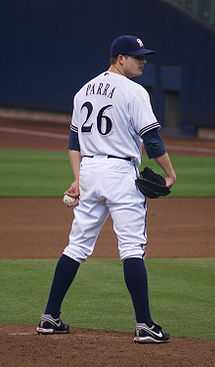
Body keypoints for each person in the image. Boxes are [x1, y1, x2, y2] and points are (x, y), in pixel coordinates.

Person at [36, 34, 176, 343]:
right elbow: (151, 139)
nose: (142, 61)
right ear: (119, 59)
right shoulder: (134, 91)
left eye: (143, 56)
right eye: (136, 56)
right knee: (131, 247)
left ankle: (49, 317)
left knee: (77, 246)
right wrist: (170, 173)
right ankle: (144, 325)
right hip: (119, 173)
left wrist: (78, 178)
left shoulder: (83, 90)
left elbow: (74, 142)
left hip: (90, 171)